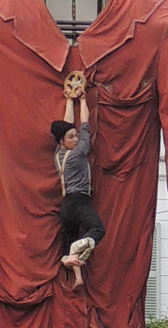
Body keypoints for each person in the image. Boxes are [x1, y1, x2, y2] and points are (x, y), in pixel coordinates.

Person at [52, 71, 104, 289]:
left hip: (65, 207)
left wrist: (68, 100)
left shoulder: (59, 152)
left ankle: (76, 273)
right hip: (78, 202)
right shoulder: (78, 153)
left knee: (68, 247)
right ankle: (80, 248)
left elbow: (68, 126)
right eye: (70, 138)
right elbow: (84, 127)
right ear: (64, 141)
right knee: (97, 230)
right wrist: (82, 100)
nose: (75, 139)